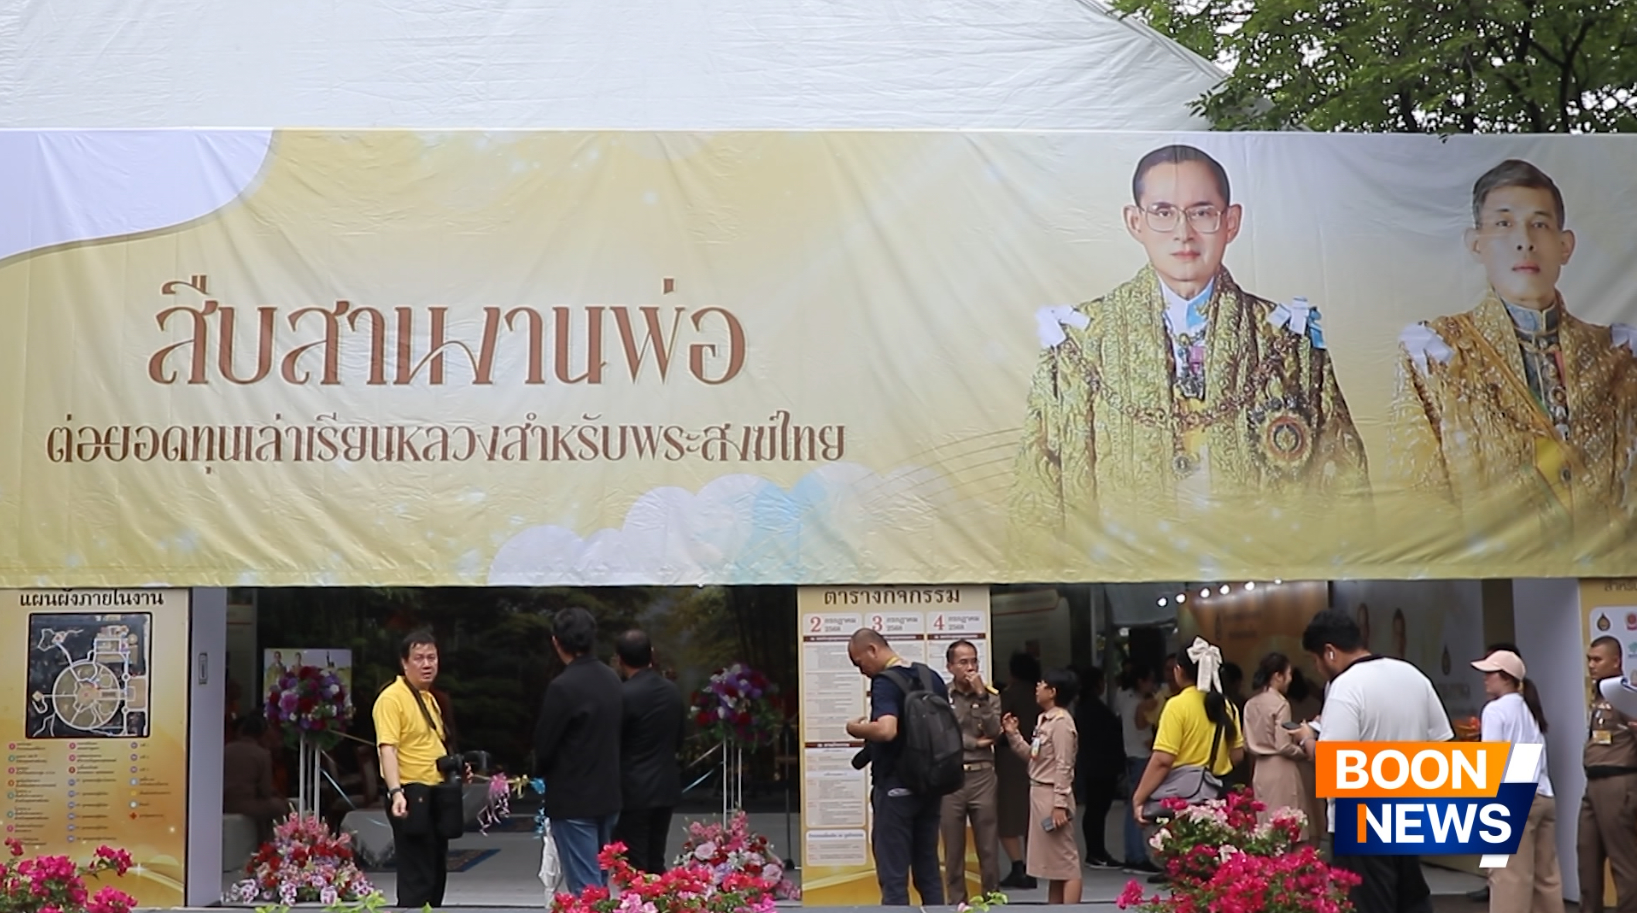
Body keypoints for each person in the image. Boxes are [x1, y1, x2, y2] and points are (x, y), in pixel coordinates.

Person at [1010, 143, 1369, 544]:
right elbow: (1037, 492)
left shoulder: (1287, 339)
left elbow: (1343, 480)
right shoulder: (1078, 342)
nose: (1183, 232)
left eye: (1201, 212)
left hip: (1260, 559)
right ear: (1135, 222)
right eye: (1163, 213)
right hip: (1126, 567)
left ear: (1231, 222)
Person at [1390, 159, 1637, 550]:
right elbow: (1420, 495)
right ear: (1476, 244)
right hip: (1490, 575)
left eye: (1539, 224)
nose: (1524, 241)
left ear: (1565, 245)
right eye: (1504, 224)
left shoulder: (1616, 355)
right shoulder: (1435, 351)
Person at [1295, 608, 1453, 913]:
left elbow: (1334, 764)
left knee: (1367, 904)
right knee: (1412, 899)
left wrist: (1305, 739)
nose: (1316, 669)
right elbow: (1443, 744)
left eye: (1315, 659)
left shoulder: (1346, 687)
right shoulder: (1412, 675)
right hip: (1411, 809)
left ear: (1329, 652)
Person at [1132, 638, 1245, 887]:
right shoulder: (1227, 706)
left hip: (1182, 803)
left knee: (1183, 874)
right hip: (1219, 798)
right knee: (1215, 875)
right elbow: (1237, 755)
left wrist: (1139, 797)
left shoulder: (1177, 706)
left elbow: (1163, 759)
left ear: (1179, 670)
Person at [845, 628, 947, 906]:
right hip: (931, 785)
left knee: (893, 876)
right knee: (928, 871)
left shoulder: (885, 682)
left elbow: (887, 730)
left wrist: (856, 728)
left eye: (859, 662)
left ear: (873, 650)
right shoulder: (931, 677)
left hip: (896, 786)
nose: (861, 670)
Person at [534, 608, 624, 894]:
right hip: (608, 792)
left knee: (585, 889)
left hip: (574, 797)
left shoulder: (563, 687)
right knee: (599, 880)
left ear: (556, 642)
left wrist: (539, 770)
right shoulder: (612, 679)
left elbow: (545, 745)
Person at [1471, 649, 1563, 913]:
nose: (1485, 679)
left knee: (1509, 878)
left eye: (1490, 673)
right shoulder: (1529, 708)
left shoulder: (1495, 710)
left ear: (1506, 677)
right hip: (1542, 792)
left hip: (1510, 795)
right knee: (1546, 877)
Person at [374, 629, 457, 909]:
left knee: (435, 872)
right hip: (411, 793)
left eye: (432, 657)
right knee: (417, 876)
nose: (427, 664)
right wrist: (396, 792)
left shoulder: (429, 698)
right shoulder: (391, 698)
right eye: (419, 658)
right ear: (404, 662)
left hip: (436, 791)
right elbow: (388, 748)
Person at [1002, 667, 1082, 904]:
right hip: (1039, 792)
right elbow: (1033, 757)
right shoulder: (1044, 720)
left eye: (1042, 684)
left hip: (1051, 795)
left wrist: (1059, 804)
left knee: (1066, 863)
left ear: (1053, 691)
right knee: (1054, 866)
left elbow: (1063, 765)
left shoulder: (1061, 724)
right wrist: (1013, 735)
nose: (1037, 688)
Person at [612, 630, 684, 875]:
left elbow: (613, 742)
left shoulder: (622, 695)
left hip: (632, 789)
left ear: (619, 659)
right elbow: (679, 740)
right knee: (656, 860)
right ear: (651, 655)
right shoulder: (672, 692)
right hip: (665, 785)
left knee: (635, 864)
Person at [939, 640, 1003, 904]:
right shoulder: (942, 697)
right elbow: (943, 735)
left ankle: (992, 901)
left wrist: (981, 697)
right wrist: (974, 742)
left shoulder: (990, 695)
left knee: (988, 847)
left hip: (982, 775)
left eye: (974, 661)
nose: (970, 667)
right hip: (951, 777)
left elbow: (995, 732)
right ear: (950, 666)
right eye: (963, 662)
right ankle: (957, 904)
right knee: (953, 851)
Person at [1579, 636, 1637, 913]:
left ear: (1616, 661)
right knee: (1587, 856)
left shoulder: (1626, 695)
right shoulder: (1599, 695)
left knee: (1624, 863)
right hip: (1593, 784)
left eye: (1597, 659)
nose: (1591, 665)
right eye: (1589, 659)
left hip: (1618, 782)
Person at [1241, 653, 1308, 840]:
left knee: (1265, 827)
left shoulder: (1250, 704)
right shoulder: (1280, 704)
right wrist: (1304, 750)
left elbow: (1246, 742)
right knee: (1290, 828)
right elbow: (1283, 745)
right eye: (1288, 673)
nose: (1290, 679)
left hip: (1260, 769)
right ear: (1278, 676)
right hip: (1281, 768)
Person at [997, 651, 1043, 888]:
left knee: (1007, 817)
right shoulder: (1039, 695)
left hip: (1010, 760)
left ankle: (1018, 866)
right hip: (1037, 759)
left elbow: (996, 725)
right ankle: (1033, 866)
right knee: (1029, 816)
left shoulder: (1010, 695)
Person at [1111, 662, 1160, 874]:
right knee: (1138, 808)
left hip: (1130, 755)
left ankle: (1133, 853)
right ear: (1141, 682)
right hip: (1142, 757)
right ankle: (1137, 856)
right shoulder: (1140, 705)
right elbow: (1144, 734)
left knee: (1133, 806)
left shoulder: (1123, 697)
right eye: (1150, 681)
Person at [1073, 665, 1124, 869]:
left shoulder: (1083, 707)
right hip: (1101, 766)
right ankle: (1096, 852)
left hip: (1093, 764)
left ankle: (1096, 851)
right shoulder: (1093, 709)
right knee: (1097, 810)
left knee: (1095, 810)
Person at [222, 713, 288, 844]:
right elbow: (265, 791)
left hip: (223, 803)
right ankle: (275, 844)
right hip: (245, 804)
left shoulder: (226, 749)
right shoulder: (262, 754)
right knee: (279, 807)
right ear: (262, 734)